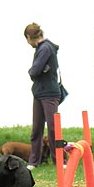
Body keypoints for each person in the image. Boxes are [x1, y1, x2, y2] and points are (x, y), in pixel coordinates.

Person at [24, 22, 61, 169]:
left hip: (49, 93)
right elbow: (38, 70)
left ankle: (60, 160)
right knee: (37, 128)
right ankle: (34, 161)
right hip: (40, 92)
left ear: (29, 37)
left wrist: (35, 71)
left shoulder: (45, 48)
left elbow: (34, 71)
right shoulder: (43, 48)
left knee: (53, 128)